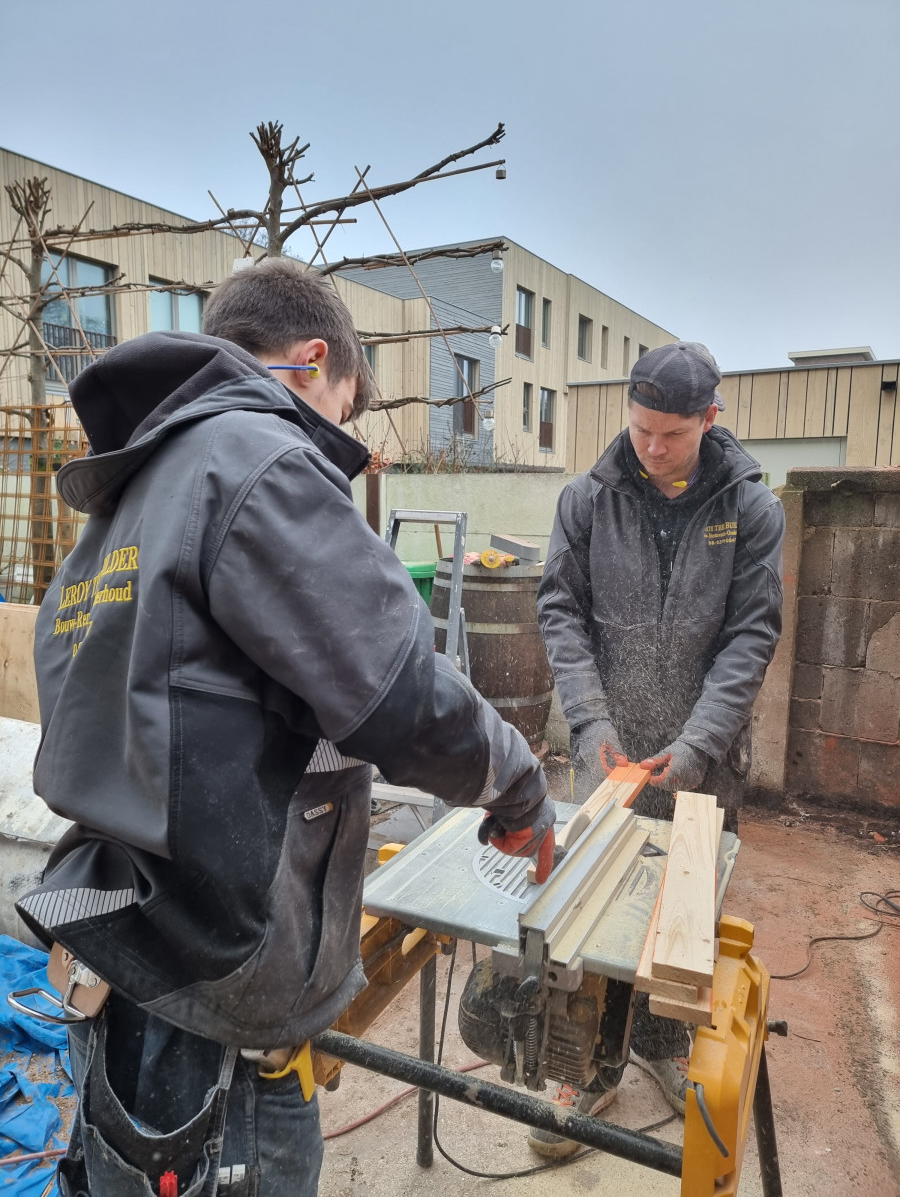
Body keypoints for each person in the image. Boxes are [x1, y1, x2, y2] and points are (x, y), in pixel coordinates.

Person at [17, 259, 556, 1197]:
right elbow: (400, 689)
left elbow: (146, 695)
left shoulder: (133, 486)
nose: (338, 435)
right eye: (345, 407)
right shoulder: (256, 457)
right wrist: (517, 784)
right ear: (313, 360)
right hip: (221, 978)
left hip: (132, 943)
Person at [531, 341, 784, 1156]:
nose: (652, 447)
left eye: (672, 434)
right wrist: (589, 722)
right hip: (610, 746)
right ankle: (592, 1060)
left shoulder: (751, 509)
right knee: (598, 902)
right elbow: (560, 613)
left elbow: (750, 637)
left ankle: (667, 1042)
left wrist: (700, 741)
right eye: (641, 429)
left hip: (705, 751)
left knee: (686, 902)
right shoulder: (587, 499)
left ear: (710, 418)